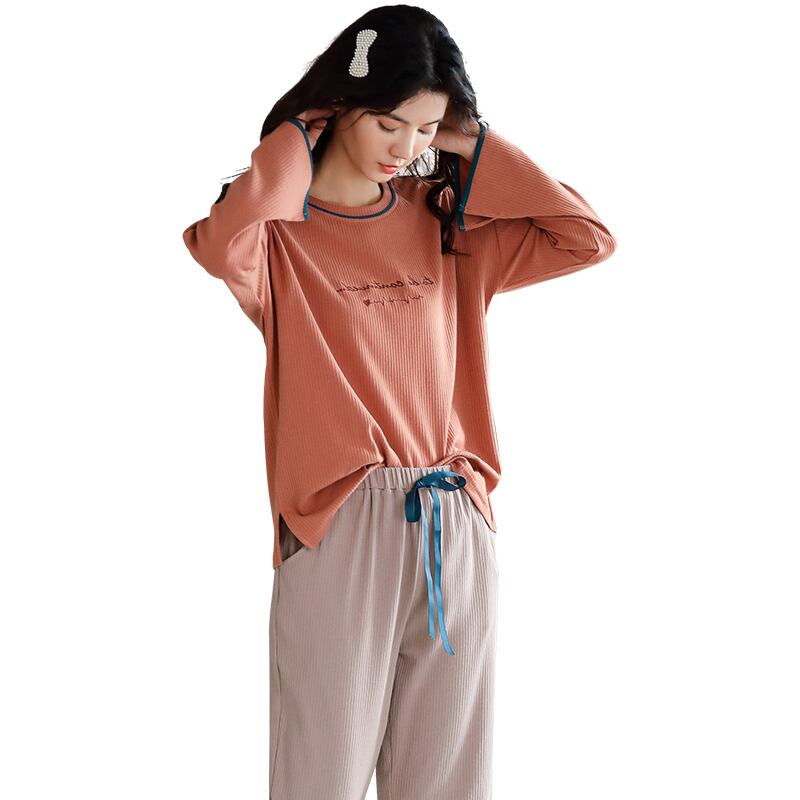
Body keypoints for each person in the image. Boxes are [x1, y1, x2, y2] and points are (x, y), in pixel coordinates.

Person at [182, 5, 616, 798]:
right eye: (388, 123)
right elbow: (219, 243)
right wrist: (301, 134)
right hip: (339, 518)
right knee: (319, 775)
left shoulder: (448, 226)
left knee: (449, 779)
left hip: (454, 512)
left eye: (425, 129)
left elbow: (586, 237)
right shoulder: (277, 237)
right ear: (339, 106)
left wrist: (474, 145)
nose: (405, 147)